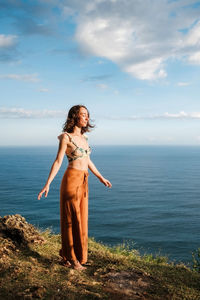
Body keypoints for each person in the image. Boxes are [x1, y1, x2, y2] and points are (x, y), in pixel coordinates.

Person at [37, 105, 112, 270]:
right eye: (83, 115)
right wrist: (47, 184)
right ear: (74, 117)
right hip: (71, 180)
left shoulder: (84, 138)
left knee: (82, 219)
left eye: (87, 115)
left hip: (84, 181)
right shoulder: (66, 137)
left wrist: (100, 177)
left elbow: (87, 160)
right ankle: (72, 259)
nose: (86, 118)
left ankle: (75, 256)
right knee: (72, 219)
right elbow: (58, 161)